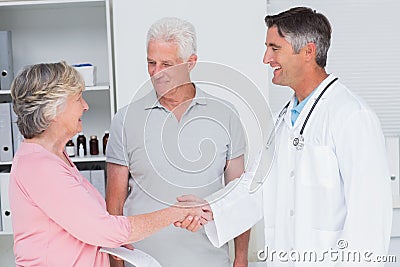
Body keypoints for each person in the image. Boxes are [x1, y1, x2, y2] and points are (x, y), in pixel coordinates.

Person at [178, 7, 393, 266]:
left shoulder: (352, 117)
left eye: (274, 48)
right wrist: (210, 209)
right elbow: (256, 185)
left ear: (308, 52)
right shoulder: (283, 119)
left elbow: (369, 221)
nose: (266, 58)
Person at [9, 61, 205, 267]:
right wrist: (176, 212)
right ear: (52, 110)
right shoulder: (39, 167)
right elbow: (104, 229)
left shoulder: (56, 157)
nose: (85, 106)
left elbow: (85, 225)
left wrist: (114, 244)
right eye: (77, 99)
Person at [105, 17, 250, 267]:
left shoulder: (225, 115)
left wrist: (241, 259)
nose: (156, 72)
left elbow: (239, 197)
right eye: (151, 63)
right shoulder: (125, 120)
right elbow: (114, 204)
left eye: (166, 64)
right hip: (142, 263)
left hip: (210, 262)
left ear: (190, 63)